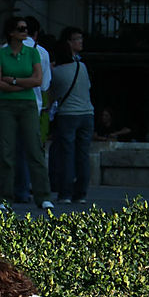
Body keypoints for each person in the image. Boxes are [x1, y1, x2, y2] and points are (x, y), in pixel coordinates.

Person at [0, 17, 53, 211]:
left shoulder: (33, 53)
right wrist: (22, 84)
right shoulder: (0, 54)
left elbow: (38, 80)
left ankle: (43, 196)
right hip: (6, 106)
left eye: (26, 29)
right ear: (11, 32)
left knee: (35, 149)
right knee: (6, 151)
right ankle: (5, 198)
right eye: (20, 29)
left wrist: (15, 82)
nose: (25, 31)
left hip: (28, 105)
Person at [49, 39, 93, 204]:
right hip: (87, 113)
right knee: (83, 154)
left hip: (67, 114)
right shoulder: (81, 67)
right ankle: (81, 193)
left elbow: (53, 93)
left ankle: (65, 193)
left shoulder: (56, 72)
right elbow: (88, 86)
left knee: (67, 154)